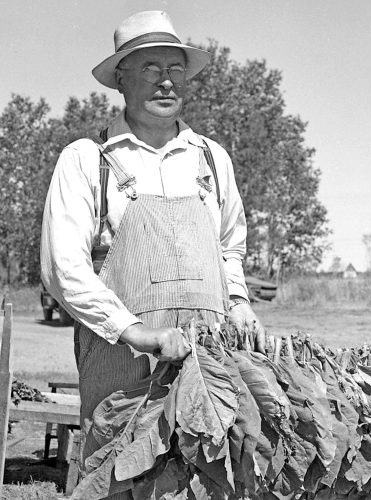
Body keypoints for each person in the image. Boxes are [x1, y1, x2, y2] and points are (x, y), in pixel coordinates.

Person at [41, 10, 265, 497]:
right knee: (122, 480)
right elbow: (64, 269)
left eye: (175, 69)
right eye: (149, 68)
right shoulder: (88, 160)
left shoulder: (211, 157)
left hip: (211, 369)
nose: (166, 81)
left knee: (212, 483)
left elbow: (231, 246)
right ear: (120, 79)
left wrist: (240, 302)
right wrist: (138, 334)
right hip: (125, 372)